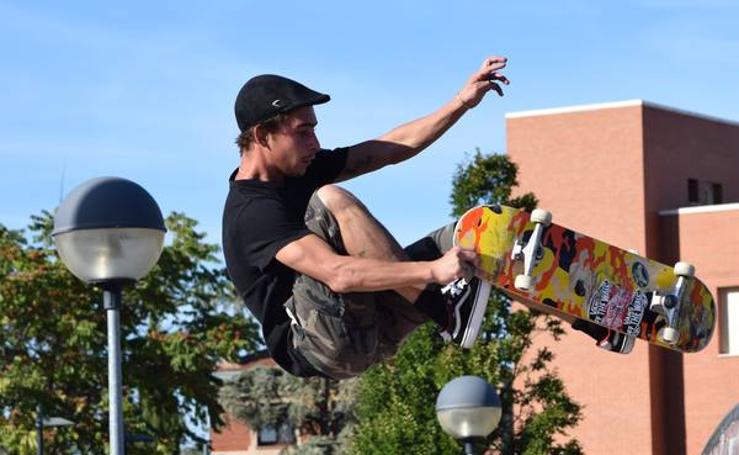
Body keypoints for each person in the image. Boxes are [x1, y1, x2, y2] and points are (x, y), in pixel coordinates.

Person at [222, 57, 510, 379]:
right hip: (320, 343)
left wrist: (460, 102)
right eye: (303, 132)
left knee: (475, 234)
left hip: (372, 322)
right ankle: (442, 309)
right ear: (262, 136)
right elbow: (337, 274)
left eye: (314, 131)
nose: (315, 144)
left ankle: (576, 315)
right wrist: (433, 271)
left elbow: (387, 149)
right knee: (329, 198)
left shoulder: (301, 167)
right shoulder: (252, 212)